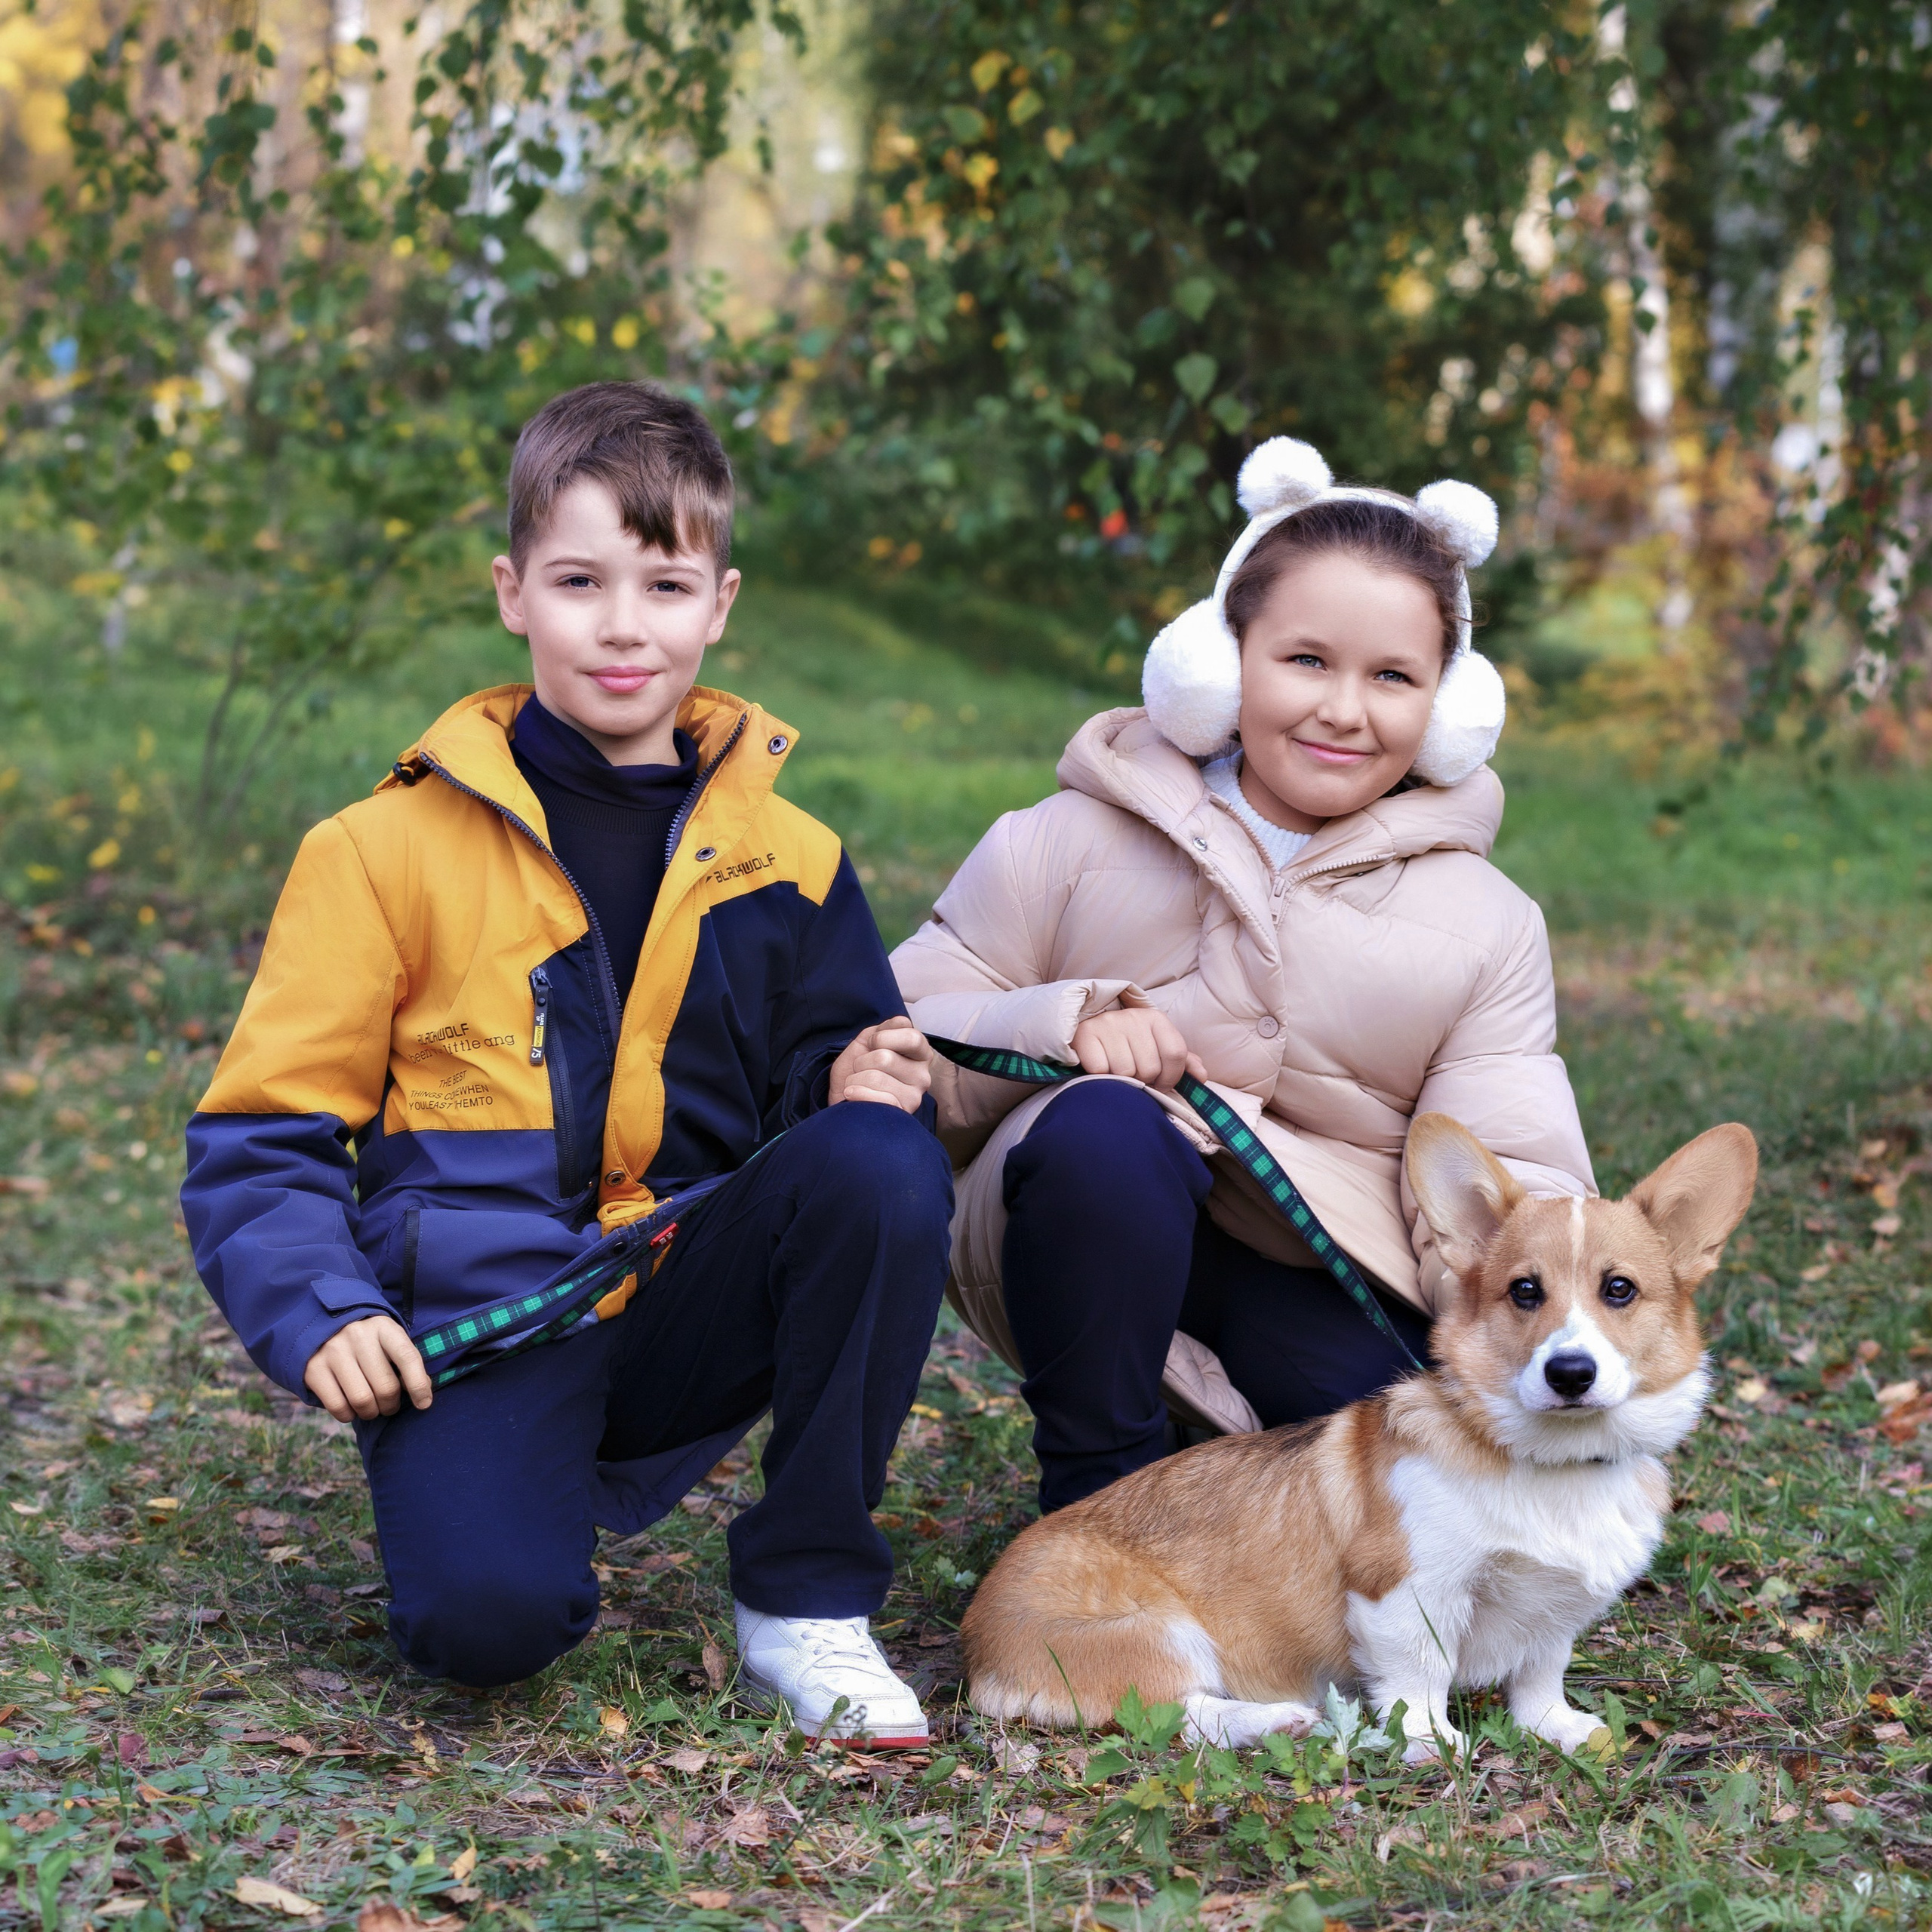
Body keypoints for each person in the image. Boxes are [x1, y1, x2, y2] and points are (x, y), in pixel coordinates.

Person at [180, 382, 952, 1743]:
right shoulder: (376, 852)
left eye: (663, 585)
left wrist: (854, 1080)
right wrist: (324, 1312)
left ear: (718, 604)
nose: (621, 625)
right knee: (482, 1628)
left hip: (682, 1279)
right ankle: (500, 1498)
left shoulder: (797, 858)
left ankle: (808, 1597)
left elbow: (827, 1078)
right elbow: (261, 1137)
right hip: (486, 1325)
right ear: (511, 591)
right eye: (579, 578)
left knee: (881, 1160)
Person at [891, 438, 1594, 1514]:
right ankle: (1097, 1499)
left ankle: (1244, 1494)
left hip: (1309, 1259)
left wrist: (1535, 1335)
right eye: (1307, 660)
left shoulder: (1488, 925)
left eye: (1394, 678)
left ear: (1449, 708)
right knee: (1108, 1132)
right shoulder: (1067, 838)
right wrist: (1064, 1019)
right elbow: (896, 1034)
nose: (1345, 711)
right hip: (1082, 1212)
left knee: (1406, 1463)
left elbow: (1508, 1158)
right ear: (1219, 663)